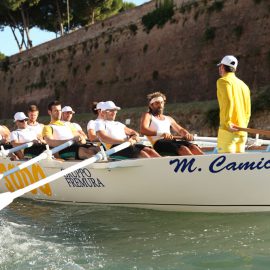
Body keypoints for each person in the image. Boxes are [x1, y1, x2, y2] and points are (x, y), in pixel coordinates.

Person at [140, 92, 203, 156]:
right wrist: (161, 134)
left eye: (162, 102)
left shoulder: (168, 118)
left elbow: (180, 130)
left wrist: (187, 134)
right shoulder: (148, 115)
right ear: (151, 105)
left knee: (193, 147)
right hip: (158, 144)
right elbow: (143, 130)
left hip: (171, 142)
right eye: (157, 103)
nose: (160, 105)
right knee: (183, 149)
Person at [96, 101, 160, 159]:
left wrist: (134, 136)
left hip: (127, 145)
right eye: (110, 111)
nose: (114, 113)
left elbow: (134, 132)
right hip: (114, 148)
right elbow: (104, 138)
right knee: (143, 154)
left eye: (115, 110)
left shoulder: (118, 124)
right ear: (103, 112)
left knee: (150, 150)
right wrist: (124, 141)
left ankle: (163, 164)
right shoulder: (99, 124)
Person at [216, 55, 251, 153]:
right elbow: (248, 110)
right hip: (242, 131)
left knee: (225, 166)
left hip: (228, 130)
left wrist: (227, 123)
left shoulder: (223, 81)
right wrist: (243, 126)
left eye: (220, 66)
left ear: (222, 67)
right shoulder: (244, 85)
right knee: (240, 167)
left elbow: (228, 101)